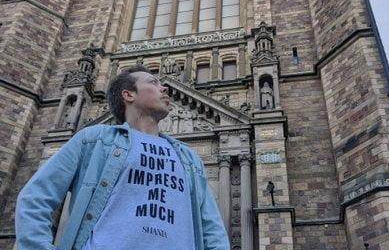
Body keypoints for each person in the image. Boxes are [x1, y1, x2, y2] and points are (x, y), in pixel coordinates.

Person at [15, 64, 229, 250]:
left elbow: (212, 230)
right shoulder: (93, 139)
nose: (164, 88)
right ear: (128, 95)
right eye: (153, 82)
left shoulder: (188, 157)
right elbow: (35, 198)